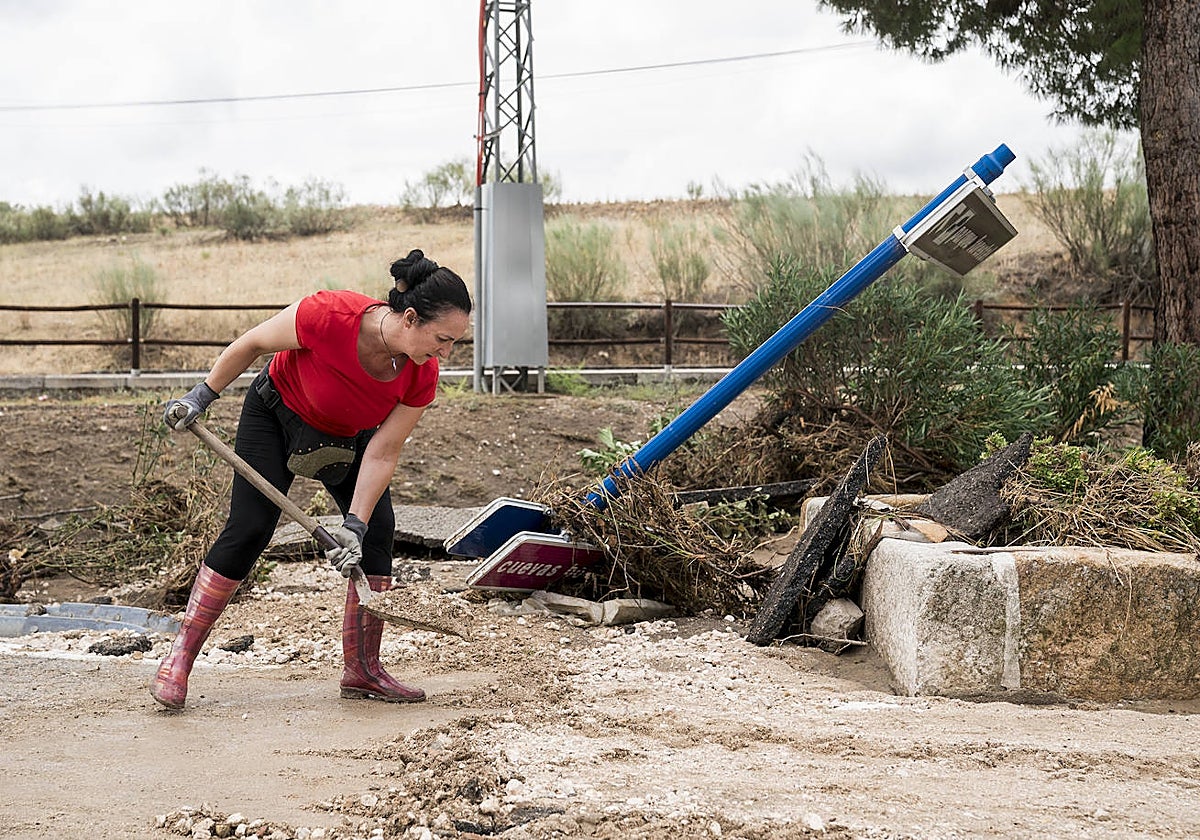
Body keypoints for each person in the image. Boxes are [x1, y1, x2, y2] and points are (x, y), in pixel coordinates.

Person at [150, 249, 471, 710]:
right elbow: (253, 343)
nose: (445, 352)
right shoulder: (330, 315)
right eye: (442, 339)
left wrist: (355, 526)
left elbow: (383, 450)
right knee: (249, 530)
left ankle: (362, 670)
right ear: (410, 318)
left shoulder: (422, 374)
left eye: (454, 343)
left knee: (378, 533)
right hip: (276, 416)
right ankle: (179, 658)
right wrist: (202, 396)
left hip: (350, 436)